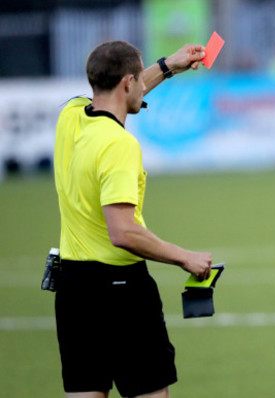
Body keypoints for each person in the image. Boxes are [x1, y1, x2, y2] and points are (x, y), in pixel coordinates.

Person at [53, 41, 213, 398]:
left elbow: (121, 90)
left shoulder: (70, 116)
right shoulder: (119, 145)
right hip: (121, 291)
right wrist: (183, 256)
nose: (143, 83)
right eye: (139, 78)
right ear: (127, 82)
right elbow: (122, 232)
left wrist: (169, 65)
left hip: (73, 290)